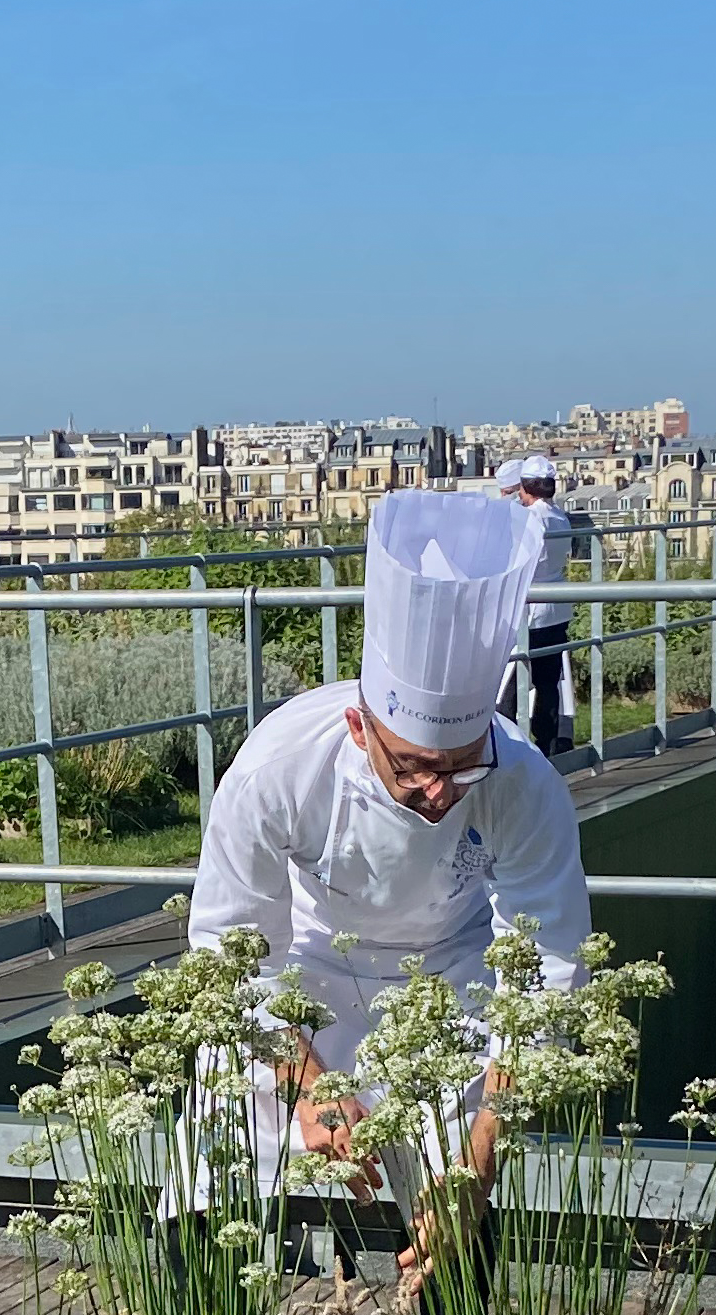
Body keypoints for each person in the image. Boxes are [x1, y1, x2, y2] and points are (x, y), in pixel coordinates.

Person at [189, 487, 589, 1219]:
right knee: (221, 1161)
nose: (439, 792)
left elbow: (548, 970)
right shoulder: (278, 766)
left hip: (451, 974)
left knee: (459, 1215)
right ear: (358, 725)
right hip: (304, 970)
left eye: (462, 766)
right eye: (410, 767)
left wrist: (481, 1156)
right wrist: (308, 1083)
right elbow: (229, 949)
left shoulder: (524, 782)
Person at [497, 455, 579, 751]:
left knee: (511, 680)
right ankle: (548, 742)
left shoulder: (530, 519)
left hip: (530, 610)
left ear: (524, 487)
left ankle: (502, 740)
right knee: (548, 683)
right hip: (557, 607)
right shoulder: (559, 516)